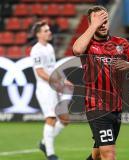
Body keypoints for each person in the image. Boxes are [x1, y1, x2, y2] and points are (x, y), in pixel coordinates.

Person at [72, 5, 129, 160]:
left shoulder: (122, 43)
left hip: (116, 107)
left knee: (98, 154)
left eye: (105, 20)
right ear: (91, 24)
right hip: (96, 106)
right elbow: (77, 50)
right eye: (98, 20)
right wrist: (94, 25)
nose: (103, 24)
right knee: (109, 154)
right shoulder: (88, 44)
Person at [30, 20, 72, 160]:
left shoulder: (49, 47)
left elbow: (52, 69)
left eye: (49, 30)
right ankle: (50, 154)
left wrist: (63, 79)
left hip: (53, 87)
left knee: (65, 119)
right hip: (44, 89)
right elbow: (41, 73)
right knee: (51, 118)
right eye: (46, 31)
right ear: (38, 34)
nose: (49, 32)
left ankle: (44, 143)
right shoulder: (36, 50)